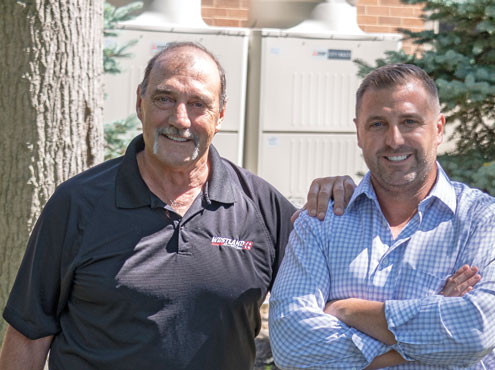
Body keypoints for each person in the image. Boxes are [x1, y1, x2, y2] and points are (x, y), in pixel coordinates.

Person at [0, 42, 354, 370]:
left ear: (220, 114)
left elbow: (324, 314)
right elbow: (30, 333)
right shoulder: (78, 203)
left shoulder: (261, 206)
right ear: (140, 102)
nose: (180, 119)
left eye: (198, 104)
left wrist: (349, 199)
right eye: (164, 99)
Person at [269, 63, 495, 369]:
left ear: (439, 129)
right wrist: (430, 325)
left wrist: (349, 311)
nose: (394, 140)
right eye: (377, 124)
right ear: (359, 133)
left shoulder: (489, 224)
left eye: (409, 122)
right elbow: (290, 344)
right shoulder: (322, 221)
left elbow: (475, 332)